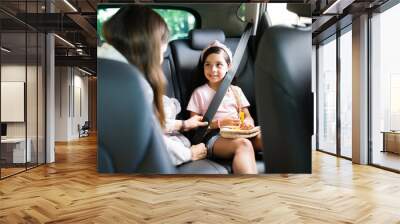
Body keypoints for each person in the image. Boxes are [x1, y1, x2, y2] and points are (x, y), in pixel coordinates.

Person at [101, 5, 208, 166]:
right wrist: (189, 153)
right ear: (152, 47)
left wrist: (183, 125)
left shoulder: (104, 64)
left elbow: (146, 125)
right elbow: (153, 140)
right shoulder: (133, 85)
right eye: (162, 53)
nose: (160, 60)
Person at [187, 40, 262, 174]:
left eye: (219, 65)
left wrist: (247, 124)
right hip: (215, 138)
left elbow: (247, 116)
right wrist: (220, 123)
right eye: (208, 65)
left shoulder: (236, 91)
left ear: (229, 66)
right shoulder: (199, 93)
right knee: (243, 145)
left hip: (239, 132)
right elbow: (194, 127)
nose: (213, 70)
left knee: (271, 137)